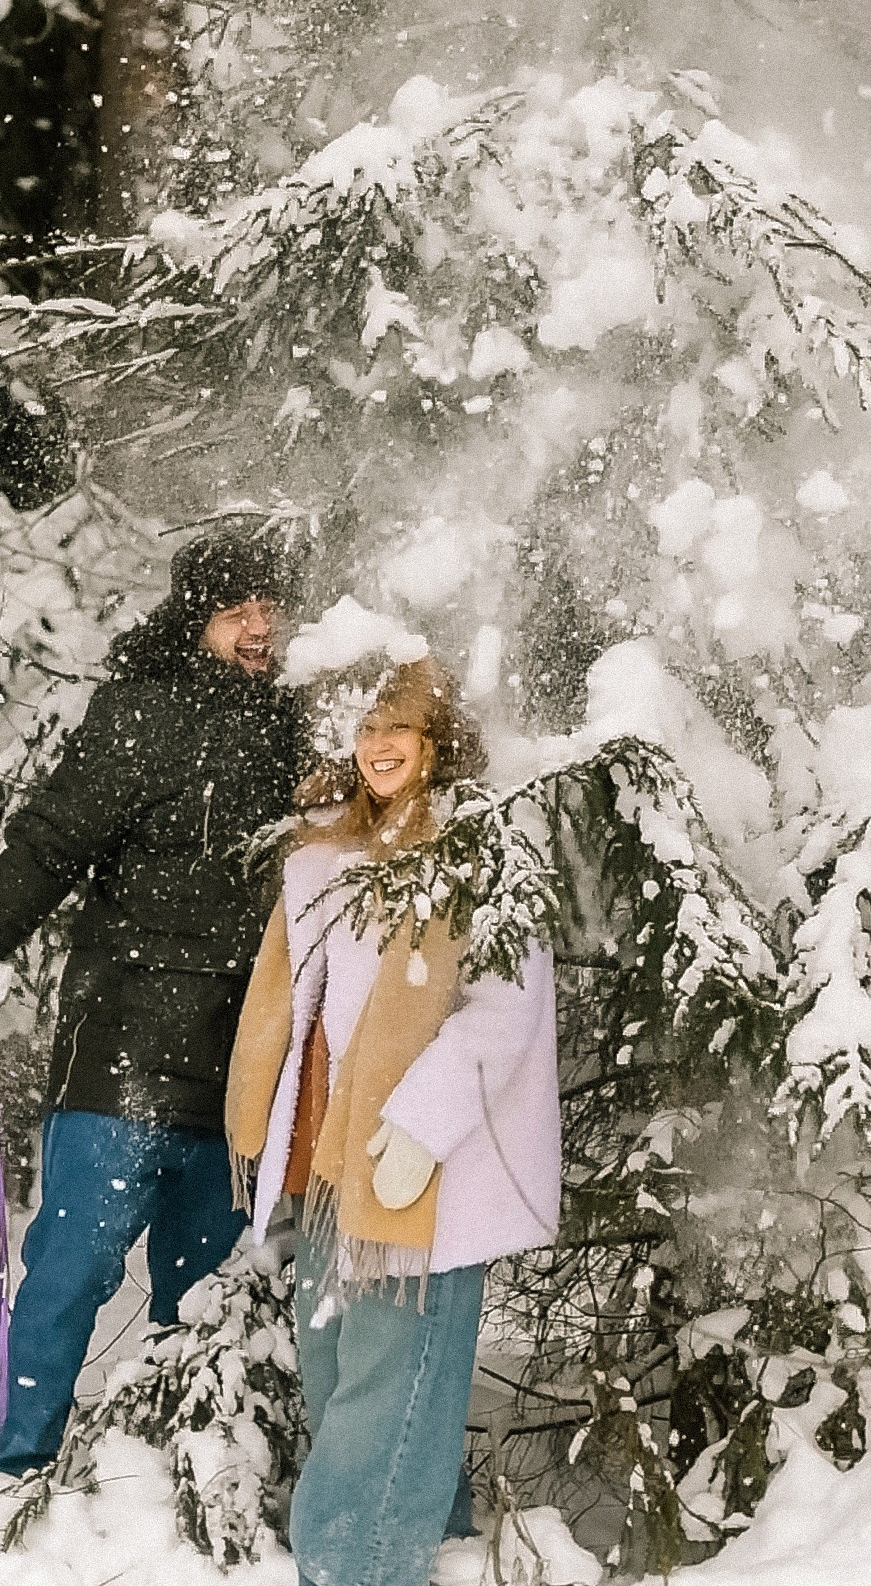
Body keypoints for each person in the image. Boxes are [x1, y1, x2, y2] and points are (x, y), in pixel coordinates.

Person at [0, 524, 307, 1476]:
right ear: (198, 621)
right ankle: (14, 1463)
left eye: (270, 607)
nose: (257, 626)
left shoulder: (308, 727)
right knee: (72, 1273)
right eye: (235, 610)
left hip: (240, 1075)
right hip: (122, 1057)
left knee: (211, 1296)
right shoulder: (142, 718)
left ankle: (188, 1481)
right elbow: (42, 854)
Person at [225, 656, 561, 1586]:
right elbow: (303, 1010)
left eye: (399, 729)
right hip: (331, 1165)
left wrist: (420, 1126)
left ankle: (355, 1569)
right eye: (368, 728)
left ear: (438, 742)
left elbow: (504, 1007)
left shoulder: (479, 849)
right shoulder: (328, 853)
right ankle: (437, 1549)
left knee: (385, 1393)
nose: (379, 747)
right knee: (340, 1376)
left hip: (423, 1168)